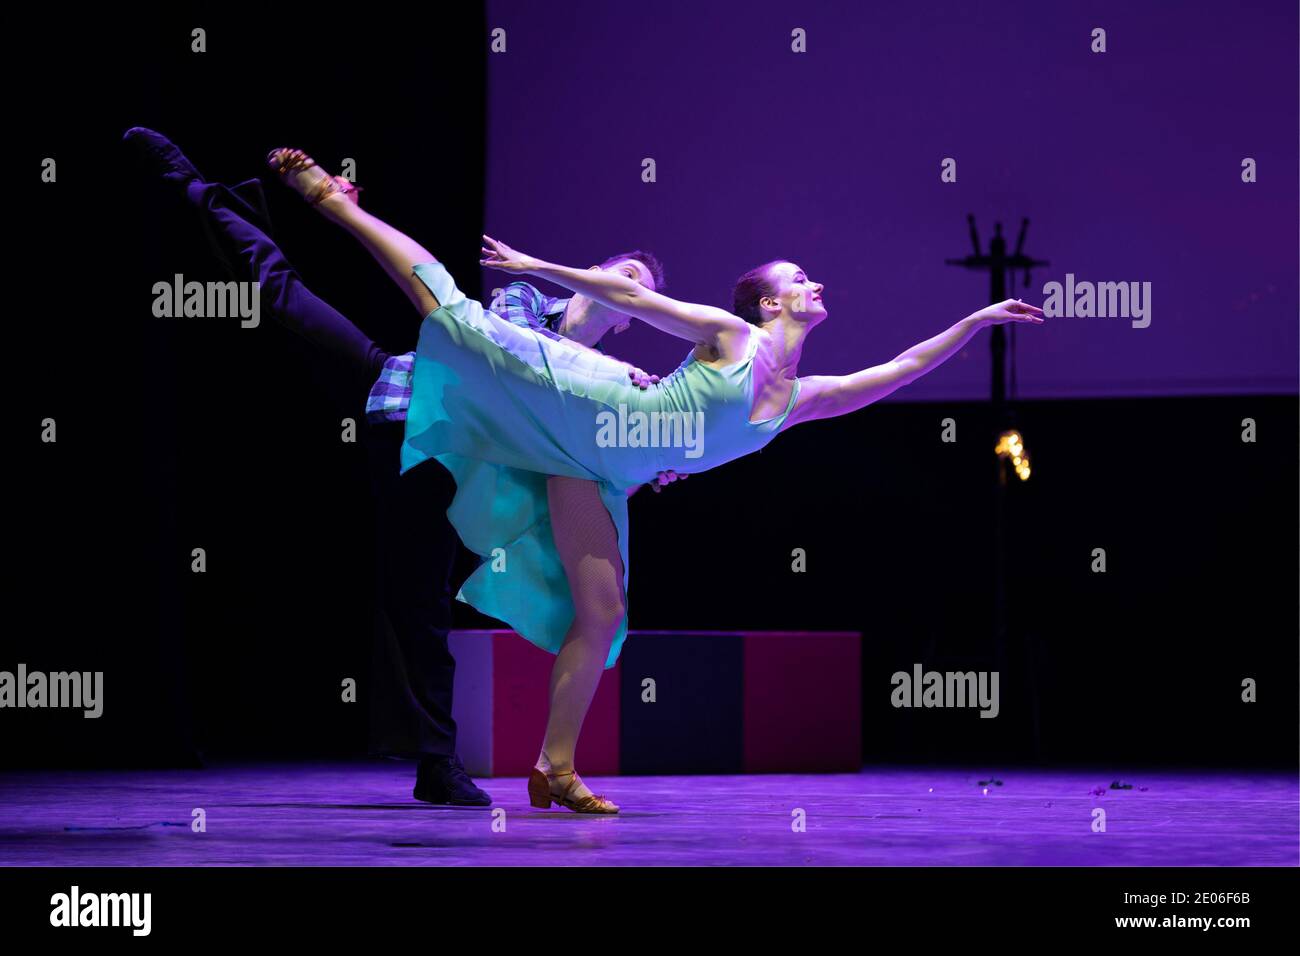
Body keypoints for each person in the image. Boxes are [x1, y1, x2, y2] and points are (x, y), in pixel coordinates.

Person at [266, 147, 1045, 814]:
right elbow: (635, 297)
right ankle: (338, 205)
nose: (816, 284)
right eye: (800, 278)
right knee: (458, 317)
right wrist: (539, 267)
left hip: (594, 470)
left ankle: (554, 768)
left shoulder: (797, 401)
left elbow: (895, 370)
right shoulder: (731, 335)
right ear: (770, 302)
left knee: (602, 616)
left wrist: (974, 324)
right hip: (588, 410)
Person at [125, 128, 679, 811]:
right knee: (281, 294)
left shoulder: (616, 384)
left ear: (634, 321)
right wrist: (624, 394)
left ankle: (435, 762)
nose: (630, 290)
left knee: (414, 600)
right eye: (624, 273)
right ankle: (196, 187)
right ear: (591, 274)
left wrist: (651, 460)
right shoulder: (527, 306)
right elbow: (509, 357)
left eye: (643, 293)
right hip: (396, 396)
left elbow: (605, 447)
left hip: (452, 468)